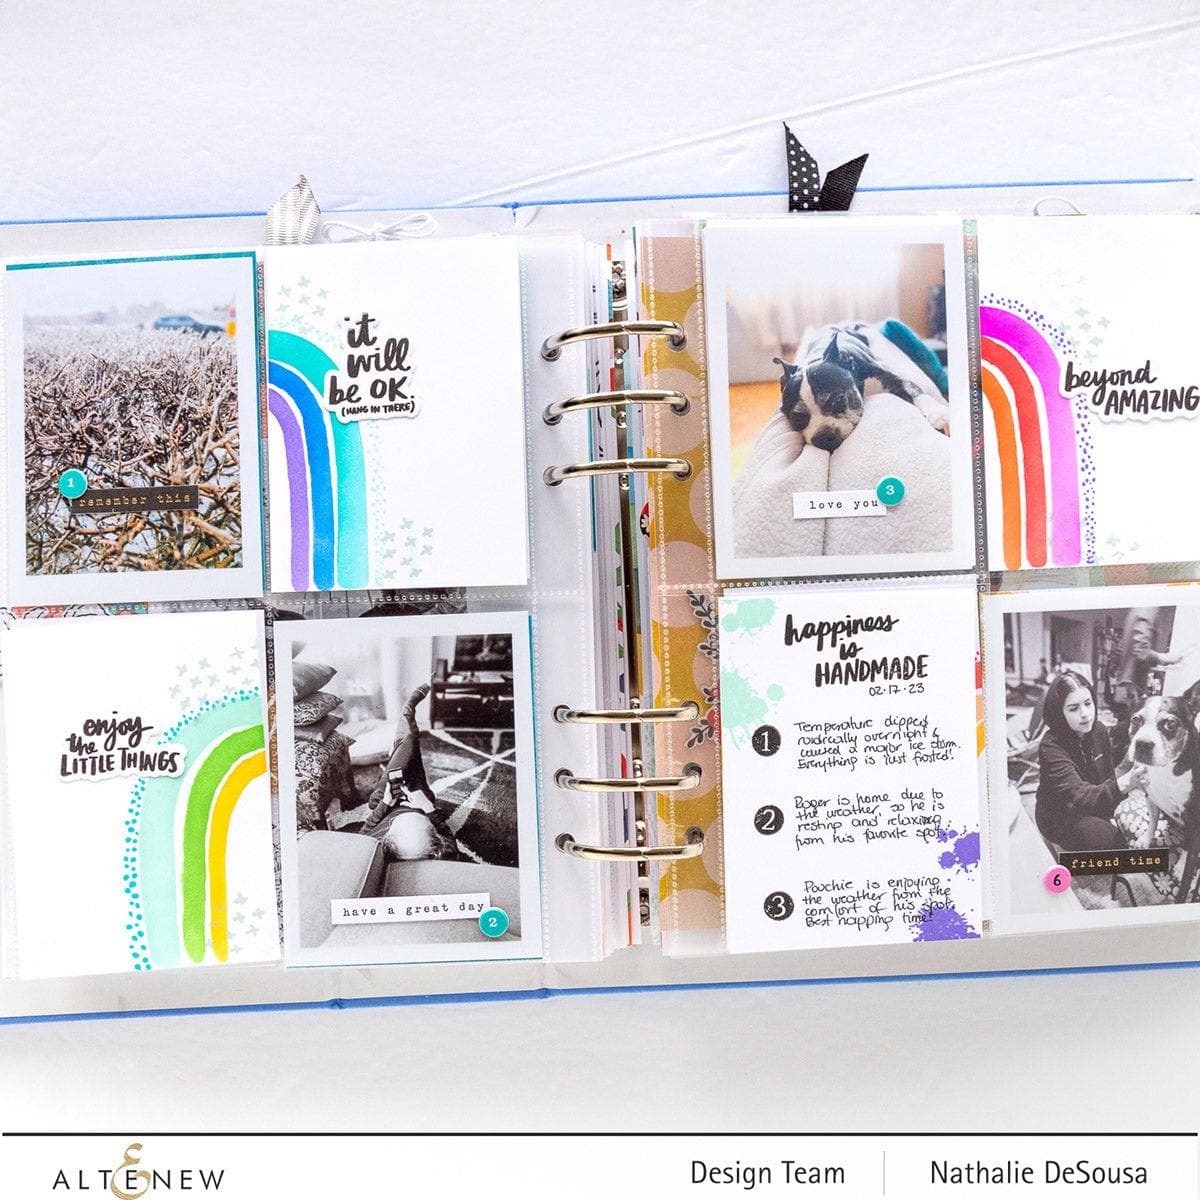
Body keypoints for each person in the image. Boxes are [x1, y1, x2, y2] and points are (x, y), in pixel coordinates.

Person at [1035, 670, 1147, 852]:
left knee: (1134, 829)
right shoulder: (1051, 746)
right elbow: (1078, 797)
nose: (1085, 714)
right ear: (1060, 712)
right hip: (1059, 817)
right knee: (1114, 842)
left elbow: (1108, 776)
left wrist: (1119, 808)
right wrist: (1126, 783)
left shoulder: (1099, 730)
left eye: (1088, 703)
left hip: (1092, 804)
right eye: (1073, 708)